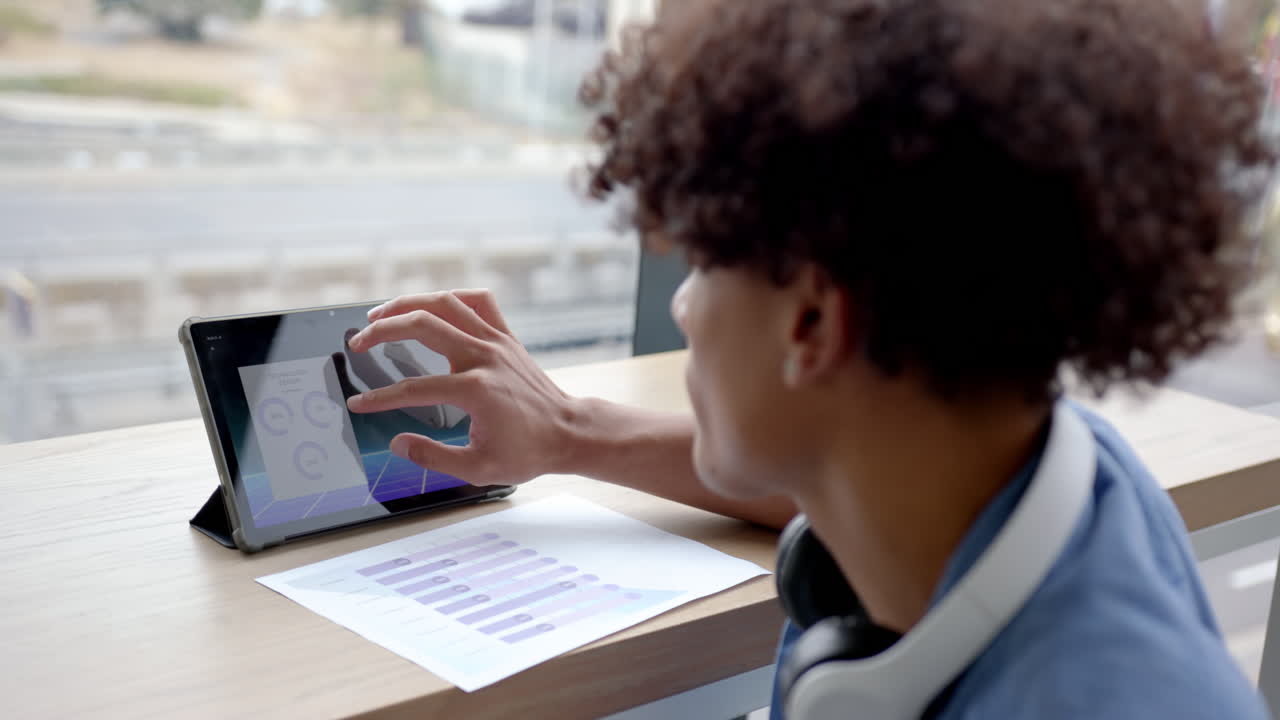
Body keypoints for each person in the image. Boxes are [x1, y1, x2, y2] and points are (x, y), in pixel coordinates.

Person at [344, 0, 1274, 716]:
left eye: (706, 261)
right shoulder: (1059, 476)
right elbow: (831, 478)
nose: (682, 302)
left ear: (813, 324)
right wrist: (568, 432)